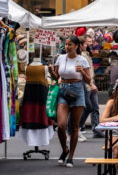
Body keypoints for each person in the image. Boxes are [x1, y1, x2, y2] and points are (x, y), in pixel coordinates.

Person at [49, 35, 91, 168]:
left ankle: (71, 156)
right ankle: (64, 149)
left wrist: (82, 73)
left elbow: (89, 80)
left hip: (78, 90)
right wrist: (51, 72)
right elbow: (56, 77)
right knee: (61, 125)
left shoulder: (83, 60)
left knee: (74, 127)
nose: (67, 47)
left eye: (70, 44)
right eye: (66, 44)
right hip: (63, 90)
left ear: (77, 46)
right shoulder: (60, 58)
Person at [79, 36, 104, 139]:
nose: (89, 44)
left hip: (90, 83)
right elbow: (85, 72)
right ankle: (77, 126)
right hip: (86, 85)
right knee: (88, 107)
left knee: (94, 107)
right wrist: (90, 84)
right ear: (81, 45)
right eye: (87, 42)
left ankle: (96, 129)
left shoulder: (87, 54)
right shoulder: (82, 56)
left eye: (89, 42)